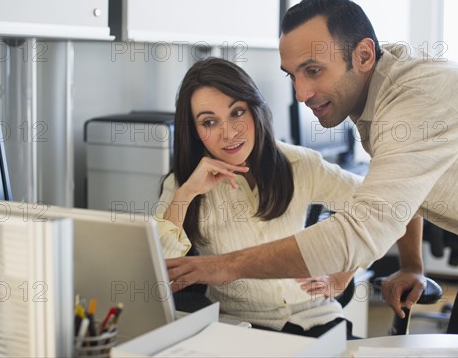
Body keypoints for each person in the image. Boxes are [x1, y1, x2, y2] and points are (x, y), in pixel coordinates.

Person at [166, 0, 458, 338]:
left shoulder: (415, 105)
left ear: (362, 55)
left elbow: (360, 233)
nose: (300, 93)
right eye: (293, 76)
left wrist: (225, 267)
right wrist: (410, 265)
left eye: (313, 71)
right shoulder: (379, 82)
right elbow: (404, 192)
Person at [155, 57, 366, 338]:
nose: (228, 133)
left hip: (316, 318)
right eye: (209, 122)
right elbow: (158, 271)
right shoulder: (184, 183)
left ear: (255, 110)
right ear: (195, 132)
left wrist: (343, 276)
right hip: (240, 327)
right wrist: (187, 193)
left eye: (237, 113)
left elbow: (379, 206)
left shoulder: (299, 164)